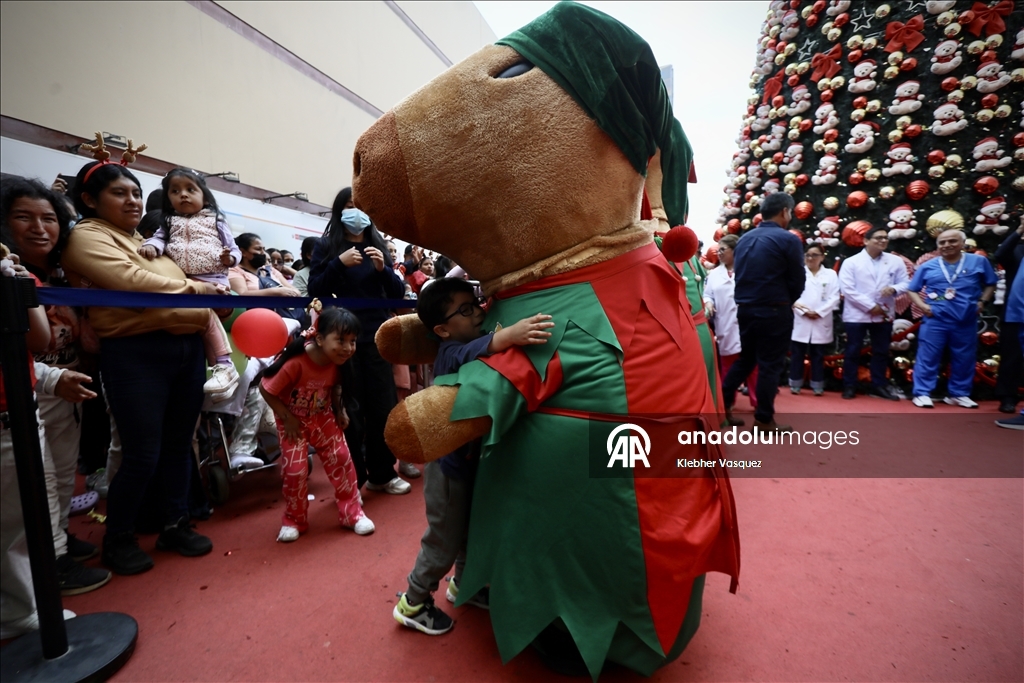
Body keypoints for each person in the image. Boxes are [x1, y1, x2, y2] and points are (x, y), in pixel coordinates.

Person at [61, 155, 221, 575]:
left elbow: (172, 288)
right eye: (119, 193)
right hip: (136, 356)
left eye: (135, 192)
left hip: (184, 352)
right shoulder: (87, 236)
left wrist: (200, 296)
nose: (133, 201)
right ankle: (119, 538)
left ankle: (174, 523)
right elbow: (135, 285)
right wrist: (199, 290)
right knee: (141, 454)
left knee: (176, 447)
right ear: (89, 200)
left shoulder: (144, 241)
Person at [393, 278, 553, 635]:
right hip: (447, 469)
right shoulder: (450, 353)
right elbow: (476, 349)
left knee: (469, 529)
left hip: (466, 463)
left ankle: (465, 584)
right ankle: (414, 601)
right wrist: (509, 335)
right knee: (444, 538)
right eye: (465, 310)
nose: (477, 312)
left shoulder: (466, 339)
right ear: (442, 329)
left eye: (476, 304)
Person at [0, 177, 112, 594]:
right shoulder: (10, 275)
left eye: (49, 218)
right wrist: (53, 379)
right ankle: (51, 563)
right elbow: (28, 343)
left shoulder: (62, 272)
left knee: (65, 473)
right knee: (41, 480)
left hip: (70, 382)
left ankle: (59, 541)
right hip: (31, 386)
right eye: (23, 217)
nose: (39, 227)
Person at [308, 188, 411, 493]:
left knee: (383, 406)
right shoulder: (327, 246)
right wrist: (338, 263)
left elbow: (395, 293)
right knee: (350, 409)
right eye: (350, 206)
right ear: (339, 212)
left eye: (361, 206)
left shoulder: (377, 244)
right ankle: (354, 480)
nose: (356, 212)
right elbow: (314, 289)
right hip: (342, 340)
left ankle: (383, 473)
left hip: (377, 336)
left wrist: (383, 270)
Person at [260, 307, 374, 541]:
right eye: (341, 340)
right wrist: (286, 417)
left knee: (342, 459)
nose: (348, 348)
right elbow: (266, 388)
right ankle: (294, 519)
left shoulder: (339, 361)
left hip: (323, 418)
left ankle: (352, 512)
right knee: (294, 471)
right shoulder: (296, 362)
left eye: (352, 341)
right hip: (293, 422)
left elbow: (335, 385)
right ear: (320, 339)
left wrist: (339, 409)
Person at [139, 168, 241, 400]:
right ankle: (220, 368)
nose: (183, 195)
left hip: (212, 280)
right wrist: (152, 246)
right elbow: (159, 239)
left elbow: (234, 248)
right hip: (183, 280)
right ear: (168, 198)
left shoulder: (215, 220)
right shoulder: (168, 221)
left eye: (190, 189)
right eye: (175, 191)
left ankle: (224, 364)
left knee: (206, 316)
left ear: (204, 195)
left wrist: (230, 258)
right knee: (199, 321)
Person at [719, 193, 804, 430]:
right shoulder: (788, 239)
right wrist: (786, 300)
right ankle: (764, 419)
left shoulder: (745, 239)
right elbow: (798, 279)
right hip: (774, 309)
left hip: (746, 309)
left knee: (746, 359)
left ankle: (723, 406)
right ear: (785, 211)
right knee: (769, 364)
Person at [226, 232, 301, 470]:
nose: (262, 253)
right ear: (243, 251)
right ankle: (249, 441)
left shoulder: (270, 272)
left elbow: (294, 292)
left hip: (281, 331)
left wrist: (285, 281)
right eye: (257, 249)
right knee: (255, 379)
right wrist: (275, 293)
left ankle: (275, 431)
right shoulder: (235, 272)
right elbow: (242, 297)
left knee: (281, 382)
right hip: (251, 333)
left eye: (263, 248)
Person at [906, 229, 996, 408]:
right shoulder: (928, 265)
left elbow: (991, 283)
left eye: (952, 241)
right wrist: (923, 306)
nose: (947, 245)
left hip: (965, 319)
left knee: (964, 357)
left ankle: (959, 393)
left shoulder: (979, 261)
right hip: (935, 320)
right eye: (942, 242)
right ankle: (922, 393)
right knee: (928, 356)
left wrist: (982, 301)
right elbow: (911, 289)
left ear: (963, 243)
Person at [837, 225, 910, 400]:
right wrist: (870, 306)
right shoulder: (851, 262)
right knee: (853, 350)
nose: (883, 240)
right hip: (857, 314)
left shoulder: (895, 261)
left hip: (884, 313)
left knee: (881, 351)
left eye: (885, 237)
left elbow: (905, 283)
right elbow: (847, 289)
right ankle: (849, 385)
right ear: (866, 241)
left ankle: (879, 385)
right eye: (878, 237)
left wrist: (893, 289)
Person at [703, 234, 758, 419]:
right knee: (728, 365)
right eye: (718, 249)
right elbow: (707, 294)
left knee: (752, 366)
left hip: (748, 322)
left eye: (722, 250)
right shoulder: (714, 274)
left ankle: (758, 402)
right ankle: (728, 404)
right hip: (725, 323)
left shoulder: (749, 270)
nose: (718, 253)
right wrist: (709, 303)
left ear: (735, 251)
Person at [790, 243, 840, 395]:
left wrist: (819, 312)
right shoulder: (797, 272)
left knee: (818, 354)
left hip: (821, 319)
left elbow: (834, 297)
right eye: (807, 255)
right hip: (801, 319)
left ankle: (817, 385)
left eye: (815, 255)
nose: (810, 258)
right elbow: (791, 295)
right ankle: (795, 383)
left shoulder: (830, 274)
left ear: (822, 257)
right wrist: (804, 311)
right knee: (797, 353)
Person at [994, 220, 1024, 414]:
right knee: (1011, 358)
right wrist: (1019, 230)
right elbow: (1000, 254)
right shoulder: (1018, 249)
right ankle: (1008, 398)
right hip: (1016, 314)